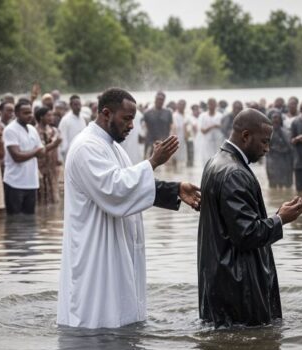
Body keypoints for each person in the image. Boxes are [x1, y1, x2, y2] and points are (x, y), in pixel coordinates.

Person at [57, 88, 201, 329]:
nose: (132, 126)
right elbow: (115, 189)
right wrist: (153, 161)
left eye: (133, 119)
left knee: (120, 317)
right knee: (96, 322)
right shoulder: (86, 147)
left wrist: (175, 189)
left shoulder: (112, 147)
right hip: (95, 248)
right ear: (105, 114)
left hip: (115, 244)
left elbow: (131, 184)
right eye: (127, 118)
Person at [198, 108, 302, 328]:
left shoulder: (216, 161)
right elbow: (246, 234)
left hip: (219, 275)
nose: (267, 149)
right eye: (264, 142)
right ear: (246, 136)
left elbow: (237, 225)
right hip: (238, 283)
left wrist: (276, 215)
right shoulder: (235, 173)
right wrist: (280, 220)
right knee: (247, 339)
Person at [3, 100, 45, 215]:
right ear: (16, 113)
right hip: (14, 182)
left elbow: (42, 152)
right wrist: (36, 151)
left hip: (31, 182)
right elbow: (16, 156)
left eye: (30, 112)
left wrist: (36, 151)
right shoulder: (10, 130)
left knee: (30, 219)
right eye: (25, 113)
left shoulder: (32, 129)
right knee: (14, 220)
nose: (29, 115)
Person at [35, 107, 62, 204]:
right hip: (40, 167)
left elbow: (57, 149)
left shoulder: (54, 130)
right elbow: (40, 149)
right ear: (41, 117)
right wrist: (54, 144)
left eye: (52, 115)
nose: (51, 117)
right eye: (48, 115)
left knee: (54, 194)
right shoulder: (35, 131)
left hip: (52, 166)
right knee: (42, 195)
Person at [141, 91, 173, 157]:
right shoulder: (147, 113)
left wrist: (170, 141)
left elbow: (171, 126)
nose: (160, 101)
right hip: (150, 142)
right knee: (149, 162)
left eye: (162, 99)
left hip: (164, 142)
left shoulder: (168, 112)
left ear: (164, 101)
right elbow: (143, 127)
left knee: (165, 164)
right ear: (155, 99)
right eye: (158, 99)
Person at [266, 110, 293, 188]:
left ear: (281, 120)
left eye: (277, 118)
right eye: (274, 118)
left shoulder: (286, 132)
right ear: (270, 120)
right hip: (272, 161)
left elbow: (290, 147)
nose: (275, 120)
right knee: (273, 185)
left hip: (285, 161)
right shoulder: (267, 132)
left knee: (286, 185)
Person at [58, 95, 85, 162]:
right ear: (71, 106)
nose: (78, 107)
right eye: (75, 105)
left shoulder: (82, 119)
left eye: (79, 104)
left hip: (82, 152)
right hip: (70, 154)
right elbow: (62, 139)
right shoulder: (65, 120)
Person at [199, 98, 223, 163]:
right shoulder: (203, 116)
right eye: (210, 104)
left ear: (216, 105)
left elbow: (223, 128)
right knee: (207, 161)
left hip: (218, 142)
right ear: (207, 105)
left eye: (213, 104)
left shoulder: (220, 116)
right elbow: (202, 131)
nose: (211, 106)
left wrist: (217, 126)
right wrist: (212, 126)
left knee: (218, 162)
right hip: (207, 143)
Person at [171, 99, 188, 170]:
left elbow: (186, 128)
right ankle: (174, 170)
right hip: (176, 139)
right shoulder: (175, 115)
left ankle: (178, 172)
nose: (182, 107)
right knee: (174, 156)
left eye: (184, 106)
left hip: (183, 139)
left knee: (182, 158)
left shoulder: (185, 116)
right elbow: (174, 127)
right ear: (177, 106)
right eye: (181, 105)